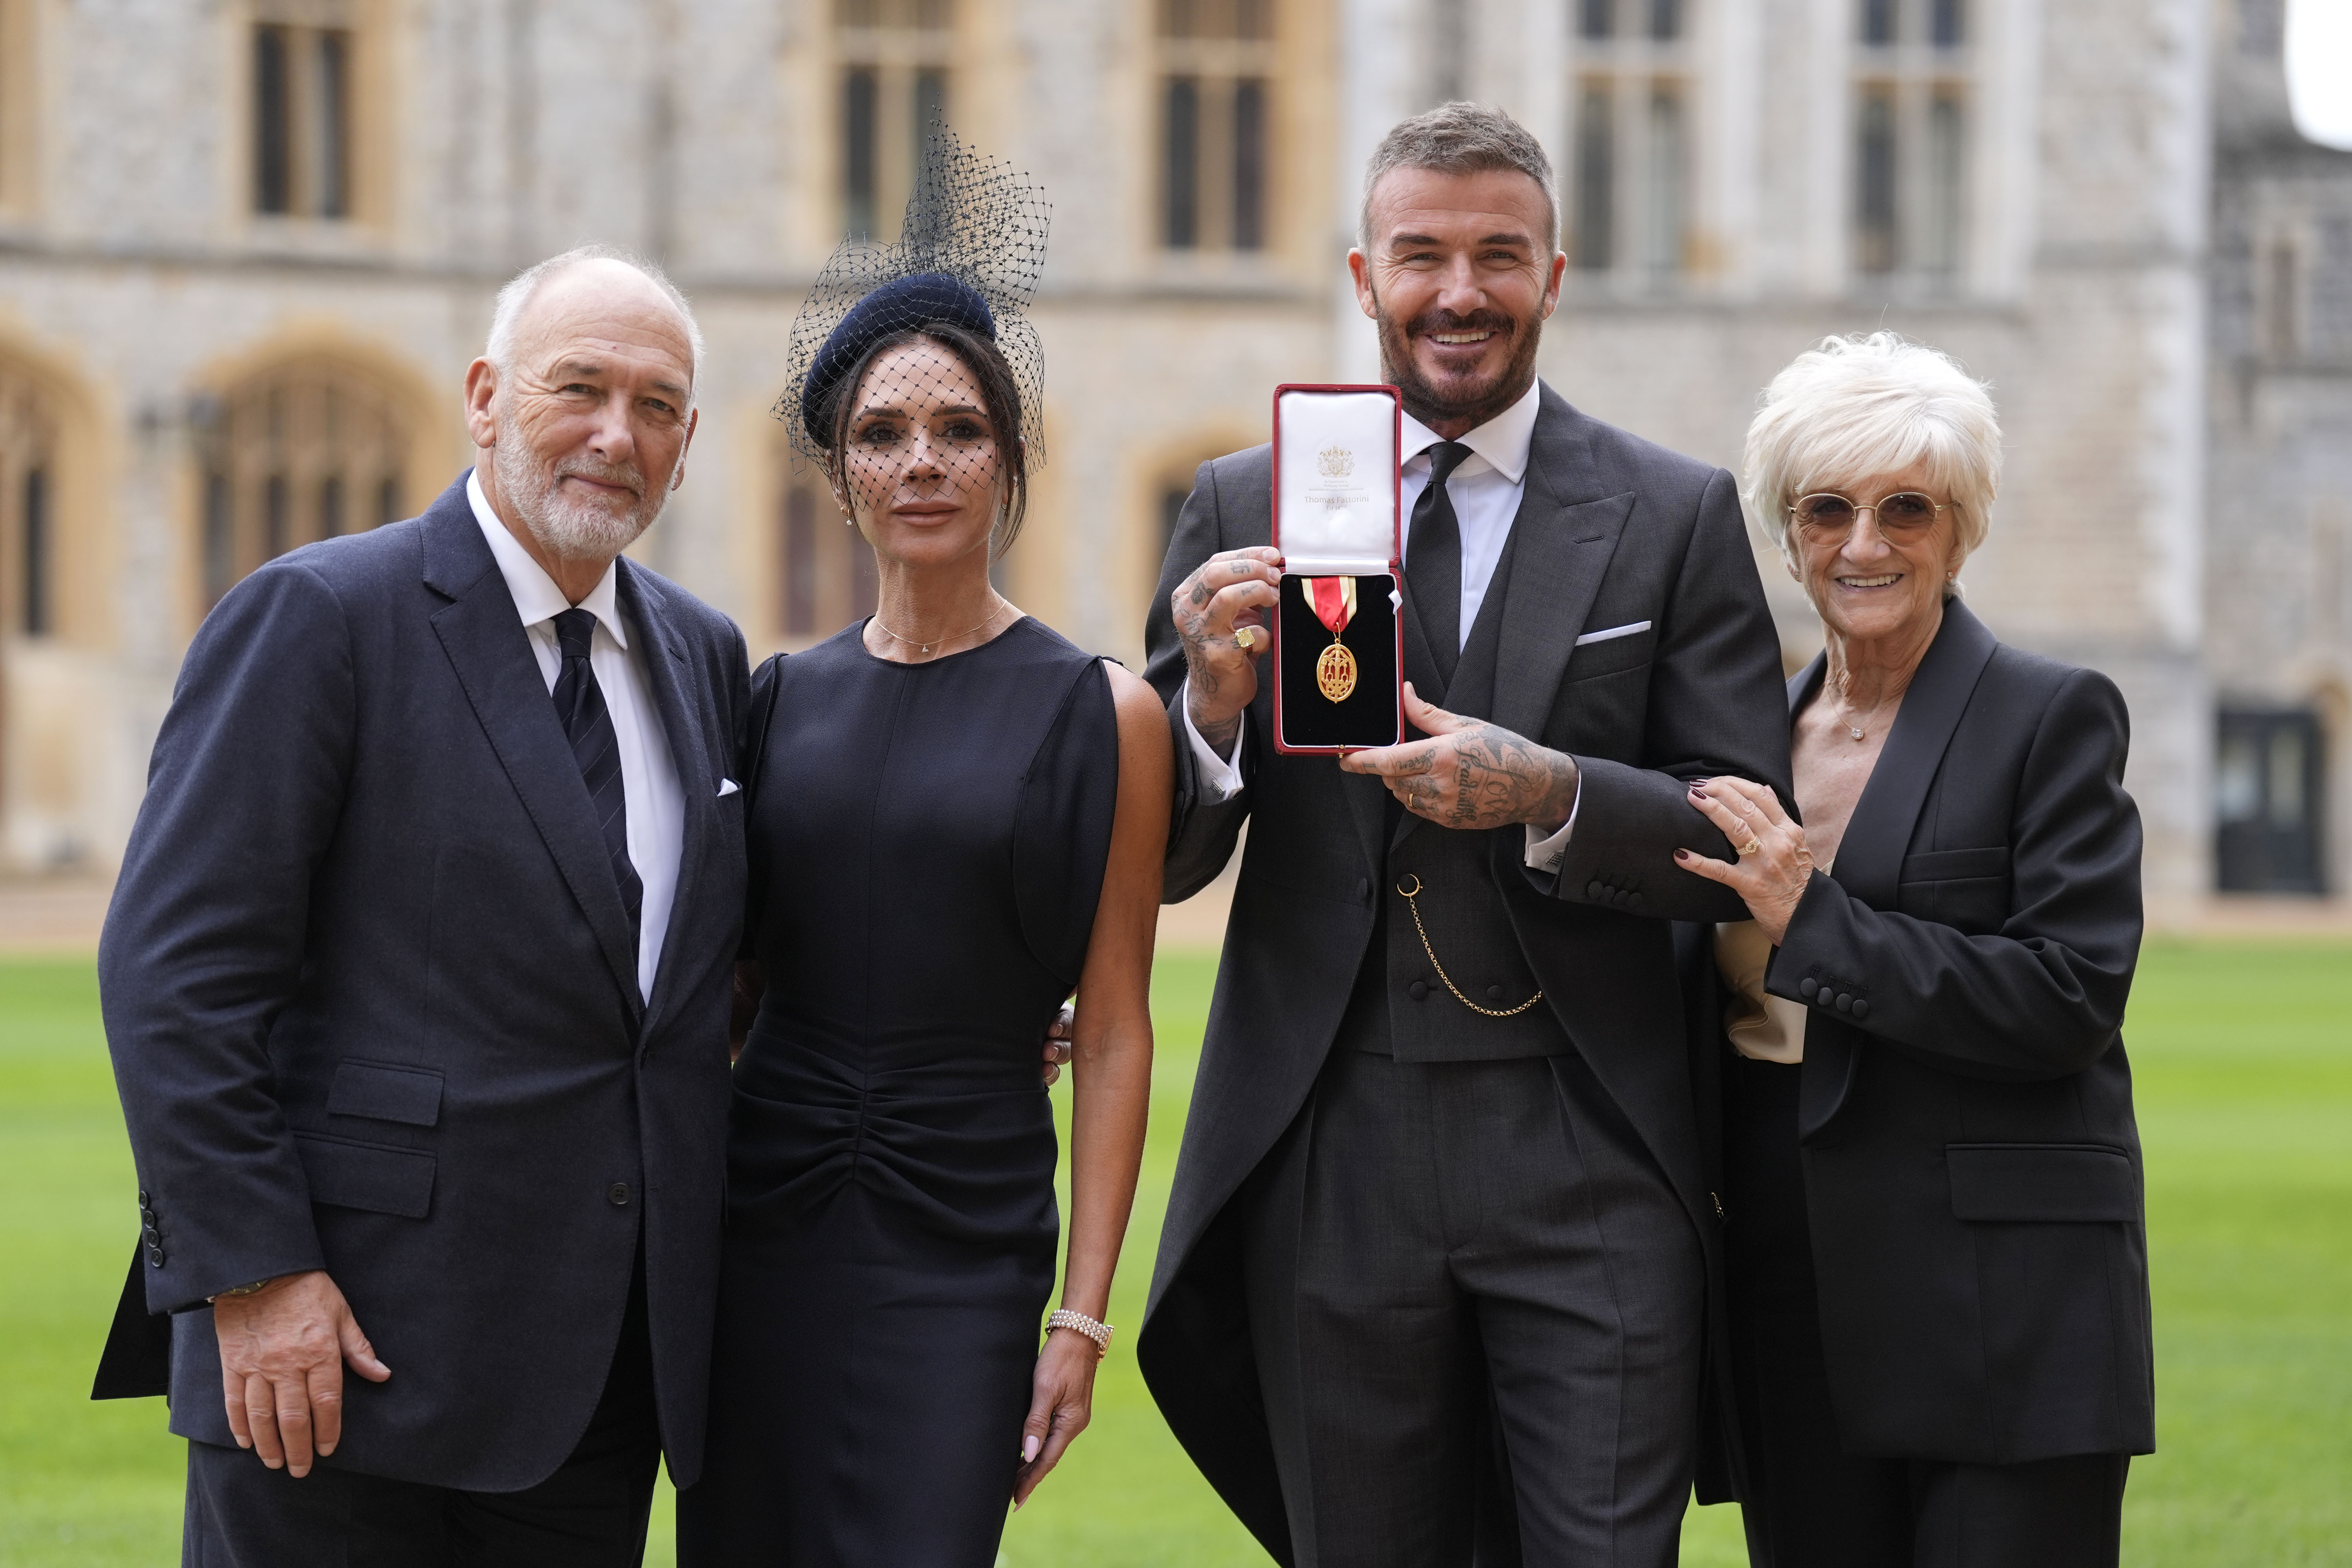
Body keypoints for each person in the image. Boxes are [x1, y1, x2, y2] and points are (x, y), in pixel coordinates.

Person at [1136, 102, 1791, 1567]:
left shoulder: (1673, 515)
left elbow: (1745, 824)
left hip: (1591, 1142)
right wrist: (1213, 715)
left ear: (1555, 276)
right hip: (1333, 1139)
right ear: (1362, 277)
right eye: (1421, 255)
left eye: (1501, 255)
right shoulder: (1248, 505)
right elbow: (1171, 858)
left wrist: (1555, 792)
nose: (1460, 292)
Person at [92, 247, 754, 1564]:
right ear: (484, 397)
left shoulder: (703, 653)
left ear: (687, 445)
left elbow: (700, 982)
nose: (617, 435)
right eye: (581, 388)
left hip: (600, 1385)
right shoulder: (321, 616)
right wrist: (256, 1273)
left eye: (660, 406)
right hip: (338, 1367)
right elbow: (173, 976)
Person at [677, 134, 1169, 1568]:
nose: (923, 460)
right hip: (762, 1230)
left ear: (1009, 459)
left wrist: (1080, 1315)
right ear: (840, 470)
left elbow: (1123, 1027)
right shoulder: (776, 699)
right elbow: (733, 983)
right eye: (885, 434)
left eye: (959, 428)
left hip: (968, 1239)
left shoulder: (1104, 713)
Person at [1673, 332, 2152, 1568]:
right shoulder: (1741, 738)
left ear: (1963, 527)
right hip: (1788, 1285)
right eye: (1827, 509)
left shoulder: (2051, 716)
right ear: (1788, 535)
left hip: (2001, 1301)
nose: (1866, 544)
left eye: (1906, 508)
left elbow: (2069, 997)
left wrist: (1814, 917)